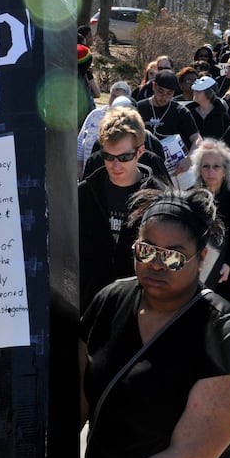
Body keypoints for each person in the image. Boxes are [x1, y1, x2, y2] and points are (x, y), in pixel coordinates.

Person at [12, 189, 230, 458]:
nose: (156, 264)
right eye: (146, 250)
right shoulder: (109, 301)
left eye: (173, 256)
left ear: (202, 258)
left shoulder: (227, 336)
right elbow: (74, 409)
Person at [78, 107, 159, 310]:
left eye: (124, 158)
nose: (115, 165)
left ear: (140, 152)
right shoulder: (85, 193)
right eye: (108, 156)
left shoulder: (158, 199)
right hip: (90, 301)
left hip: (138, 305)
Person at [188, 139, 230, 303]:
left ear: (225, 171)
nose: (210, 171)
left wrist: (229, 265)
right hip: (189, 273)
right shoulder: (188, 198)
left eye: (216, 167)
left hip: (221, 277)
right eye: (205, 166)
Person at [135, 70, 200, 168]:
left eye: (169, 93)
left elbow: (197, 139)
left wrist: (189, 159)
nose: (164, 97)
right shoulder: (139, 108)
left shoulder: (180, 111)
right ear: (154, 86)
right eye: (160, 91)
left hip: (174, 166)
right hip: (144, 165)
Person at [77, 82, 131, 176]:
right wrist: (78, 168)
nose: (115, 100)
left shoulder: (129, 120)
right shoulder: (95, 115)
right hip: (88, 174)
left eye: (119, 98)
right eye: (113, 96)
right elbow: (80, 142)